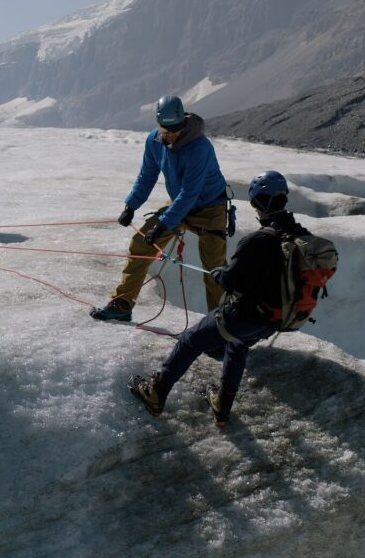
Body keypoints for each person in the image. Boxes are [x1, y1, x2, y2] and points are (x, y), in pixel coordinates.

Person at [129, 171, 322, 427]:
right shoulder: (302, 237)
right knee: (237, 345)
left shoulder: (257, 240)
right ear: (284, 199)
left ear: (255, 204)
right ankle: (222, 405)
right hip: (278, 318)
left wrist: (220, 273)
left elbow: (231, 281)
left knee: (190, 340)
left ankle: (156, 393)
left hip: (246, 314)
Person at [90, 94, 229, 322]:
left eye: (175, 129)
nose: (171, 135)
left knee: (214, 270)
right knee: (140, 244)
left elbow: (189, 193)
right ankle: (123, 303)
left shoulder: (199, 147)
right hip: (178, 204)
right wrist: (131, 205)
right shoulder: (155, 140)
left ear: (184, 123)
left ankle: (219, 326)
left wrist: (163, 226)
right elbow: (147, 175)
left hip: (209, 209)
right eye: (166, 130)